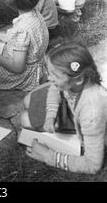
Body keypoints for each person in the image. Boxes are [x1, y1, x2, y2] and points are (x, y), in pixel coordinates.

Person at [20, 43, 107, 174]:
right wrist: (51, 115)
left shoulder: (92, 113)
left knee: (25, 120)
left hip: (88, 122)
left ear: (78, 80)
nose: (49, 79)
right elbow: (54, 88)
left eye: (55, 75)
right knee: (27, 100)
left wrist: (48, 156)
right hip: (76, 112)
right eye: (49, 73)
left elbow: (93, 165)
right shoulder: (77, 81)